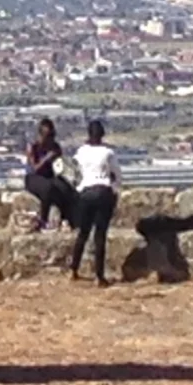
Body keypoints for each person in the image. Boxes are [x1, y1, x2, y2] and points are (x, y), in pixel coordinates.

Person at [68, 118, 122, 285]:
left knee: (83, 233)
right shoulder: (108, 153)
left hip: (86, 193)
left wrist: (77, 190)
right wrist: (115, 190)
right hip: (103, 192)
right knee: (100, 236)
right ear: (102, 135)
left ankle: (73, 270)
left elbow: (74, 173)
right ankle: (99, 276)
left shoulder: (81, 152)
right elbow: (117, 175)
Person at [22, 118, 77, 231]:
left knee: (65, 188)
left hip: (50, 176)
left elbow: (59, 166)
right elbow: (34, 168)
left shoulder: (55, 147)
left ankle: (68, 218)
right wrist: (47, 158)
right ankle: (43, 220)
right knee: (47, 188)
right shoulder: (32, 146)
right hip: (33, 177)